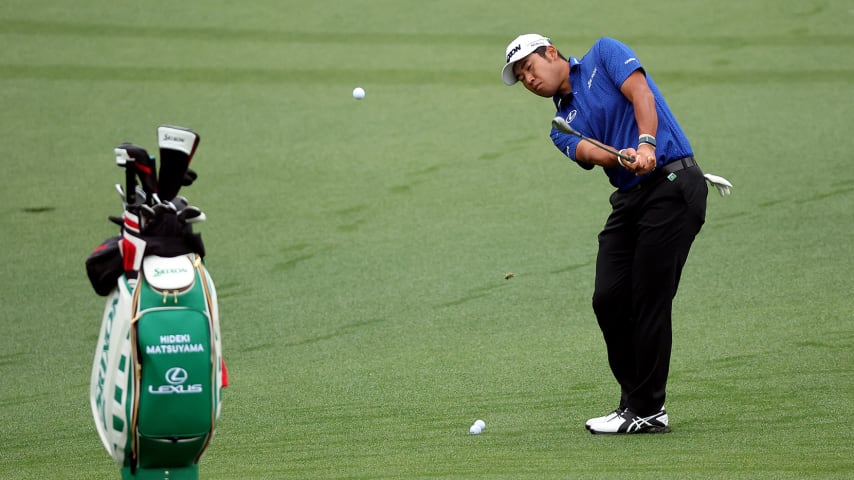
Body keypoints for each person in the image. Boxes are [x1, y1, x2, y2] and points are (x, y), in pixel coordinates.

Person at [501, 34, 708, 434]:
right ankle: (634, 402)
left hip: (672, 183)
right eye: (521, 77)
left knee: (649, 298)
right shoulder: (560, 126)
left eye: (529, 67)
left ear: (551, 53)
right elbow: (589, 154)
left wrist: (645, 144)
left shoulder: (604, 54)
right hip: (630, 198)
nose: (528, 79)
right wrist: (619, 156)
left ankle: (647, 409)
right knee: (609, 298)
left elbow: (641, 95)